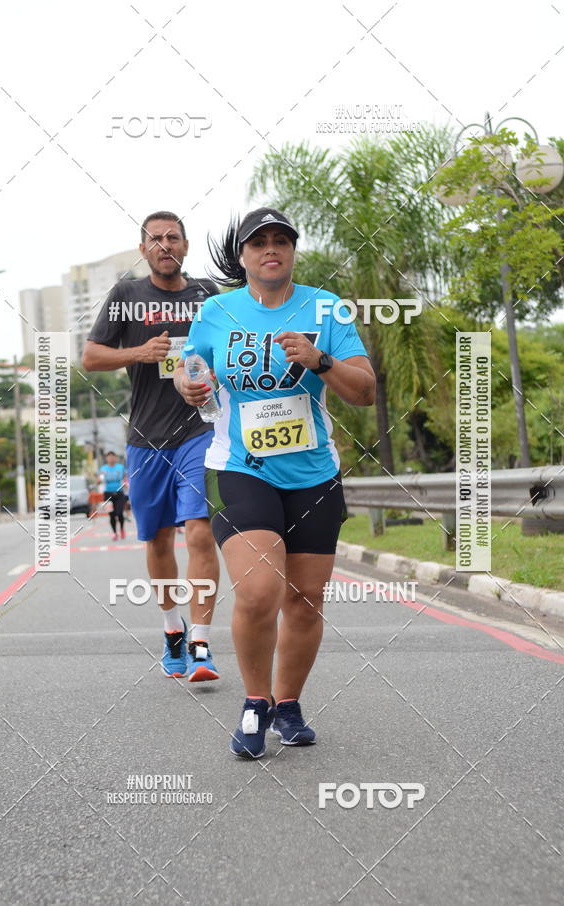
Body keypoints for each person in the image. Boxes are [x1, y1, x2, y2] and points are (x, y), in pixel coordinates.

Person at [176, 207, 376, 757]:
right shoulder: (216, 311)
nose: (271, 249)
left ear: (292, 251)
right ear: (242, 257)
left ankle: (288, 704)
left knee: (306, 599)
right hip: (239, 468)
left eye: (280, 241)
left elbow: (365, 391)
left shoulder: (326, 307)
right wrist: (190, 385)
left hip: (313, 473)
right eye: (258, 242)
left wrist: (320, 360)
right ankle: (254, 701)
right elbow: (191, 370)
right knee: (261, 591)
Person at [83, 211, 220, 683]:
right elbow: (91, 356)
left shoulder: (206, 296)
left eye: (173, 238)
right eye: (155, 239)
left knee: (200, 534)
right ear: (144, 249)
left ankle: (201, 639)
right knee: (159, 541)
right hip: (145, 440)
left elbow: (230, 347)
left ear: (185, 246)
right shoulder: (126, 297)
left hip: (200, 433)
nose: (165, 245)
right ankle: (172, 631)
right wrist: (137, 353)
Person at [99, 451, 127, 540]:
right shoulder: (103, 468)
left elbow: (125, 478)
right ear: (107, 459)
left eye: (113, 457)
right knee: (111, 514)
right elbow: (99, 480)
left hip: (119, 493)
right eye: (109, 457)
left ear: (115, 458)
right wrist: (100, 479)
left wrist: (126, 485)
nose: (111, 458)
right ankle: (115, 533)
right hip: (108, 493)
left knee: (119, 513)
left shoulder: (120, 467)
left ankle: (122, 529)